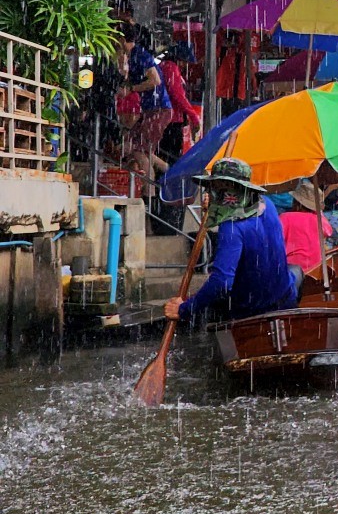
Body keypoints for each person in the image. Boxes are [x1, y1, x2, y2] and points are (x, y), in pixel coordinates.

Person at [163, 158, 297, 323]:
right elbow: (234, 211)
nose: (212, 192)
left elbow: (222, 282)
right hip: (285, 296)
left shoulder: (232, 227)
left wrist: (185, 309)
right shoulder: (266, 204)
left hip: (254, 311)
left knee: (212, 300)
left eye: (217, 188)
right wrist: (213, 207)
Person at [117, 23, 172, 164]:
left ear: (122, 39)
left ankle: (151, 185)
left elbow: (155, 80)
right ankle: (168, 173)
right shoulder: (132, 56)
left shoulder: (139, 55)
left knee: (139, 150)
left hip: (158, 108)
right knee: (137, 147)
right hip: (151, 108)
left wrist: (133, 89)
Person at [157, 41, 202, 165]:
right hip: (172, 120)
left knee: (165, 154)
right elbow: (177, 95)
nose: (185, 65)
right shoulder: (171, 68)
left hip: (167, 118)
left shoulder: (165, 66)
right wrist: (193, 116)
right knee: (171, 156)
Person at [277, 179, 333, 273]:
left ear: (297, 203)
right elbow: (328, 232)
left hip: (291, 270)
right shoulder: (321, 221)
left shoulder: (285, 218)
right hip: (314, 270)